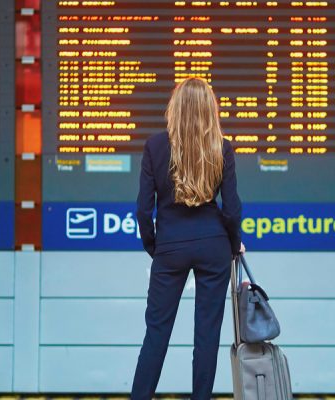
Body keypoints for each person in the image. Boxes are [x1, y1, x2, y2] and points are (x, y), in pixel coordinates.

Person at [131, 77, 244, 400]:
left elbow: (143, 209)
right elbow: (232, 209)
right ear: (211, 110)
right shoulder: (221, 147)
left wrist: (156, 246)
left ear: (175, 108)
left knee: (156, 332)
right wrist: (234, 244)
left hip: (170, 246)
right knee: (207, 336)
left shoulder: (154, 146)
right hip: (213, 247)